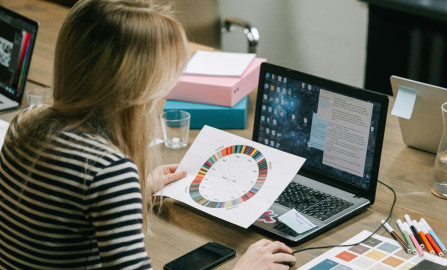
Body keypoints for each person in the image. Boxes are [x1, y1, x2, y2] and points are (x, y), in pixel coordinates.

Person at [0, 0, 296, 269]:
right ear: (138, 89)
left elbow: (56, 216)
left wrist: (136, 190)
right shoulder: (108, 170)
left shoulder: (27, 121)